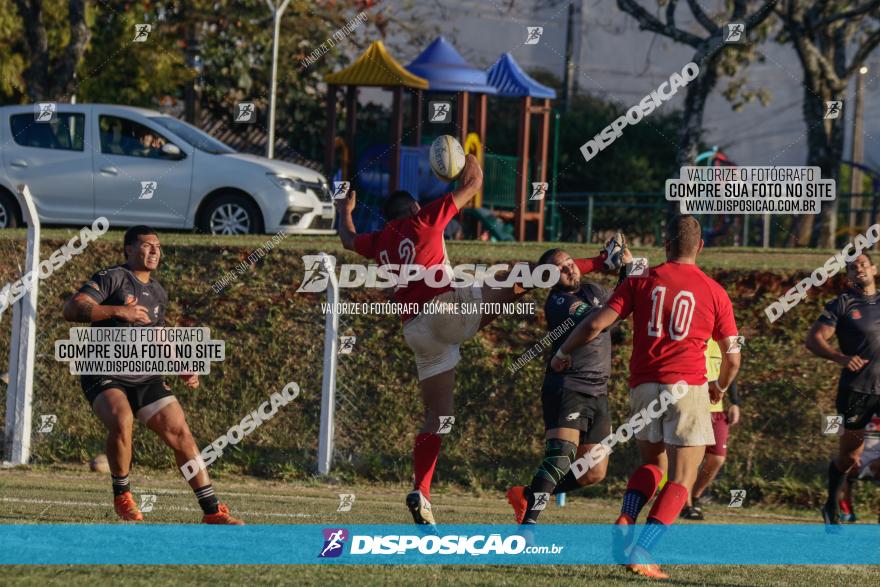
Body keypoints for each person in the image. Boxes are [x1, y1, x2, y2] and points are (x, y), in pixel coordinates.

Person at [335, 155, 533, 526]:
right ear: (412, 207)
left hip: (416, 331)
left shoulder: (379, 240)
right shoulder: (424, 217)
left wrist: (343, 209)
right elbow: (473, 183)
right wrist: (466, 152)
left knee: (439, 419)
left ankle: (421, 492)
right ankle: (575, 288)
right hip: (443, 310)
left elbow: (347, 238)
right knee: (514, 278)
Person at [551, 215, 740, 579]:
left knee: (653, 466)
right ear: (700, 247)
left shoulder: (641, 280)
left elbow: (594, 324)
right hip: (687, 388)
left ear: (665, 245)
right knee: (682, 480)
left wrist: (563, 352)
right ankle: (643, 549)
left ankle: (626, 516)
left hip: (643, 388)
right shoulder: (714, 291)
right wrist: (721, 387)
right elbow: (732, 356)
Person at [62, 226, 243, 525]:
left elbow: (158, 335)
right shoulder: (112, 277)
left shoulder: (157, 291)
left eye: (158, 246)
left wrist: (180, 364)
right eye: (147, 246)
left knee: (181, 433)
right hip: (104, 370)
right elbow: (73, 308)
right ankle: (123, 496)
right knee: (122, 419)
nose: (154, 251)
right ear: (129, 249)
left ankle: (212, 511)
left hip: (145, 375)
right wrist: (119, 311)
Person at [506, 240, 631, 524]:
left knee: (593, 473)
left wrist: (626, 270)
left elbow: (620, 309)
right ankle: (528, 527)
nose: (569, 269)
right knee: (561, 457)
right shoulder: (560, 302)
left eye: (570, 262)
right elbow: (599, 321)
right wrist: (627, 280)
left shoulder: (593, 290)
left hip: (598, 390)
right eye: (560, 268)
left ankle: (527, 494)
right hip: (568, 387)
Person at [805, 252, 880, 525]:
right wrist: (840, 357)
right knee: (850, 456)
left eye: (863, 264)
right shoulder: (842, 304)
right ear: (847, 275)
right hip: (856, 390)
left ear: (873, 268)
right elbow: (813, 340)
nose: (858, 268)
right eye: (852, 267)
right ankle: (831, 504)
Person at [680, 339, 742, 520]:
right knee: (691, 460)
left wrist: (735, 403)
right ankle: (686, 505)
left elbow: (732, 371)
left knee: (717, 458)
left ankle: (695, 496)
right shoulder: (692, 335)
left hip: (717, 410)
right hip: (692, 407)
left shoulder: (724, 340)